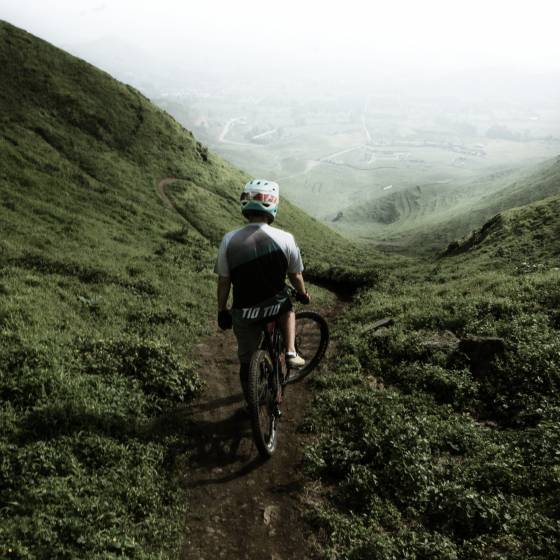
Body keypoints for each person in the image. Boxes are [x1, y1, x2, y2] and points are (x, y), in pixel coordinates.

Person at [214, 179, 310, 403]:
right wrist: (303, 294)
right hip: (276, 307)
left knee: (247, 363)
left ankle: (252, 403)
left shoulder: (229, 240)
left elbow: (224, 281)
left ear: (245, 205)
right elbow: (295, 276)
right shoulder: (286, 239)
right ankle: (289, 351)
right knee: (289, 309)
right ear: (273, 206)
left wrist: (222, 310)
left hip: (244, 312)